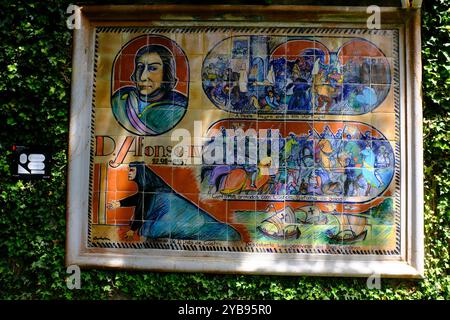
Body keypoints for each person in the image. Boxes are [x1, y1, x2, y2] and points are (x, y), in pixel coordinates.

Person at [108, 162, 241, 241]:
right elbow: (140, 199)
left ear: (140, 172)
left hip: (174, 213)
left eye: (132, 170)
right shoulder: (151, 187)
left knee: (151, 230)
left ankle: (226, 233)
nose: (129, 173)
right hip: (175, 214)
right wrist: (119, 203)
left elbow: (141, 206)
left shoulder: (153, 190)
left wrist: (133, 229)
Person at [111, 44, 188, 135]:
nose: (143, 77)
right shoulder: (120, 99)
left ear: (167, 73)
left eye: (153, 68)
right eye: (140, 67)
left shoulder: (179, 108)